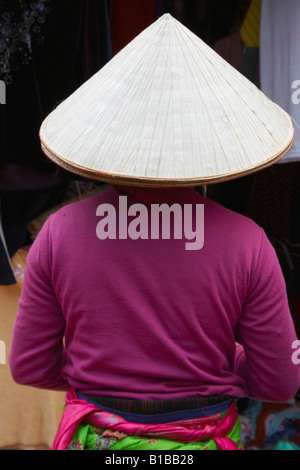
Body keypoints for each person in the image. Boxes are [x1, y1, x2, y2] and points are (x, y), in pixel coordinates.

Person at [9, 14, 300, 451]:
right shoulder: (246, 241)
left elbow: (30, 365)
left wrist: (105, 371)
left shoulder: (60, 232)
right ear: (211, 142)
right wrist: (224, 361)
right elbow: (279, 381)